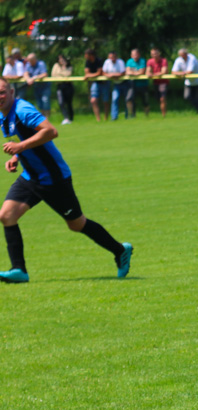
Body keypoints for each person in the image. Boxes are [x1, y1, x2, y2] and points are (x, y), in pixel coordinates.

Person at [0, 78, 132, 284]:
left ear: (11, 92)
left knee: (77, 224)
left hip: (53, 179)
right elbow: (25, 138)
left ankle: (120, 250)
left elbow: (51, 131)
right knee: (7, 215)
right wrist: (17, 156)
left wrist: (20, 147)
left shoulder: (23, 110)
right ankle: (19, 270)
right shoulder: (3, 115)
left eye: (2, 92)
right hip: (31, 176)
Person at [172, 49, 198, 113]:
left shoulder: (192, 58)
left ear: (187, 54)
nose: (182, 57)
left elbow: (190, 71)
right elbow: (173, 72)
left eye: (183, 55)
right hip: (188, 82)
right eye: (181, 56)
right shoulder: (178, 60)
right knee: (187, 97)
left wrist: (180, 73)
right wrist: (182, 74)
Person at [83, 49, 109, 122]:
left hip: (104, 83)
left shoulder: (99, 60)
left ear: (91, 55)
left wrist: (90, 75)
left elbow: (99, 73)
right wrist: (91, 75)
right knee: (93, 100)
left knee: (105, 101)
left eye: (86, 55)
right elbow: (86, 73)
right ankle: (98, 120)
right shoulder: (87, 62)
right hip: (96, 82)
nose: (85, 56)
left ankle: (106, 118)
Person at [101, 51, 127, 120]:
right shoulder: (107, 62)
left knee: (127, 99)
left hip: (124, 83)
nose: (112, 59)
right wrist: (109, 75)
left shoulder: (120, 62)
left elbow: (123, 72)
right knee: (115, 99)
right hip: (116, 83)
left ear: (116, 57)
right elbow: (103, 72)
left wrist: (113, 75)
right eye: (111, 57)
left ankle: (128, 116)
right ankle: (114, 117)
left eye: (114, 57)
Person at [125, 49, 149, 118]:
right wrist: (136, 72)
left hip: (143, 84)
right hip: (132, 85)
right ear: (131, 55)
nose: (135, 56)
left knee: (145, 101)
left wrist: (132, 73)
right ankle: (132, 115)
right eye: (133, 54)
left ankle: (147, 116)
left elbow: (141, 72)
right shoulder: (129, 61)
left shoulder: (142, 61)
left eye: (136, 54)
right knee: (129, 99)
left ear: (139, 54)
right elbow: (127, 72)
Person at [51, 55, 75, 124]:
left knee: (69, 103)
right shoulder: (56, 65)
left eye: (62, 59)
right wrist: (62, 74)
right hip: (60, 86)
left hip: (68, 86)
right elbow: (53, 75)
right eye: (60, 59)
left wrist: (61, 71)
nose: (61, 61)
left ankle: (71, 119)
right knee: (61, 103)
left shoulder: (69, 67)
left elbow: (68, 74)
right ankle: (66, 118)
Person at [146, 48, 169, 118]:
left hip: (163, 82)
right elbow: (147, 71)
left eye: (155, 54)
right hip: (156, 82)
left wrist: (152, 74)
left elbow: (163, 72)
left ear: (159, 54)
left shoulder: (164, 61)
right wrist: (149, 73)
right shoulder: (150, 61)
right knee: (157, 98)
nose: (154, 55)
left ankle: (164, 115)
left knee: (162, 98)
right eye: (152, 54)